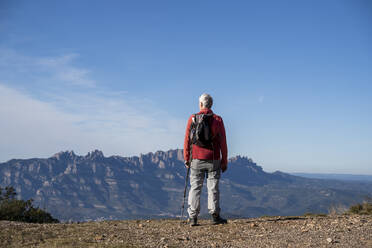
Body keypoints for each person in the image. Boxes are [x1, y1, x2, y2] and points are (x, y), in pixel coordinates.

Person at [183, 93, 228, 226]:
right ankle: (215, 216)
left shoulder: (193, 118)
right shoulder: (218, 119)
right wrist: (224, 160)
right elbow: (223, 142)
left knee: (195, 187)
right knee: (213, 188)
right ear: (211, 105)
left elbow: (187, 140)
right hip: (213, 159)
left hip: (196, 158)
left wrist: (186, 158)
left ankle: (193, 217)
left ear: (200, 104)